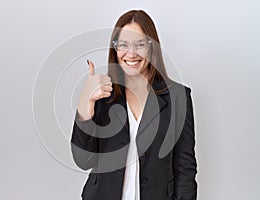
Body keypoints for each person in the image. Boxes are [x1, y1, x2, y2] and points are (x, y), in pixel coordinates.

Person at [71, 10, 197, 200]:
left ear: (152, 47)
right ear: (115, 49)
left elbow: (185, 168)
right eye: (123, 45)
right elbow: (83, 160)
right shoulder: (103, 94)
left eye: (140, 44)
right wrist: (85, 102)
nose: (131, 53)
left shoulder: (178, 97)